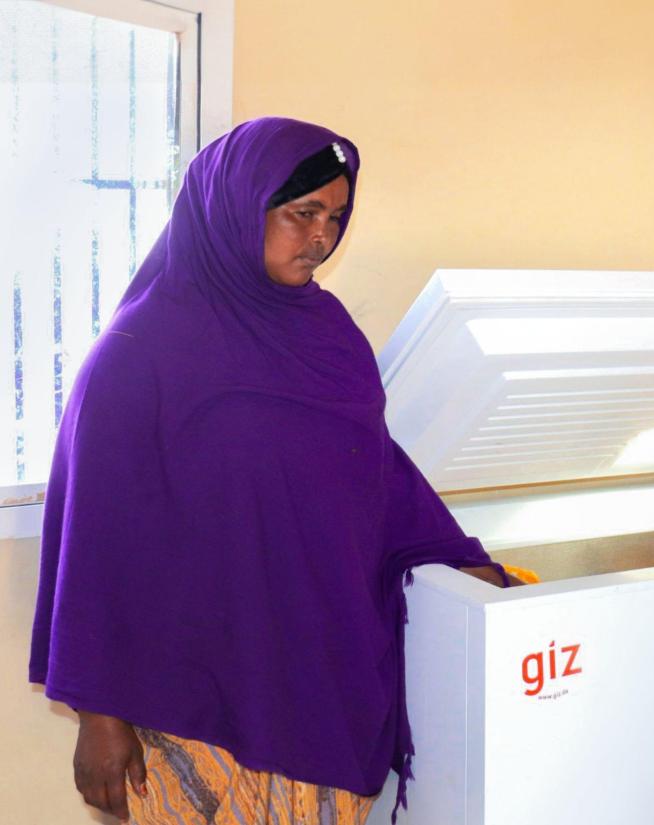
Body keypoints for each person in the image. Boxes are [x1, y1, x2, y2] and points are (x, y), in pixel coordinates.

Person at [28, 117, 518, 825]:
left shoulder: (328, 333)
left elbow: (371, 469)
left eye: (336, 216)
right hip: (189, 697)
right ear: (236, 207)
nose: (322, 237)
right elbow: (93, 534)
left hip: (322, 674)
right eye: (302, 213)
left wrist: (455, 557)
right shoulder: (140, 352)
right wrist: (98, 713)